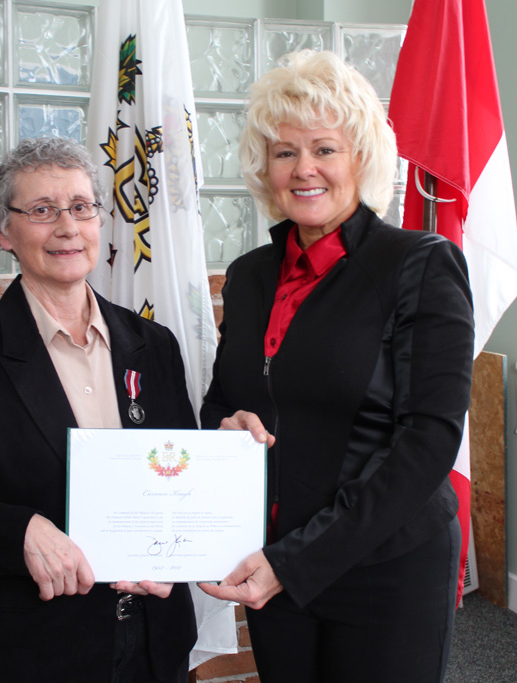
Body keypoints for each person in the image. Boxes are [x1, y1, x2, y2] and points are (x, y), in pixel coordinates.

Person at [199, 50, 474, 683]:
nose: (304, 170)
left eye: (325, 148)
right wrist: (227, 424)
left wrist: (298, 560)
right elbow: (222, 401)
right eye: (285, 152)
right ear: (264, 168)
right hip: (272, 559)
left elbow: (429, 441)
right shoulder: (247, 277)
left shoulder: (420, 264)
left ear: (360, 159)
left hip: (386, 566)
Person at [0, 137, 197, 683]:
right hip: (30, 654)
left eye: (81, 207)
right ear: (3, 232)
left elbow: (181, 479)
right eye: (41, 211)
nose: (67, 227)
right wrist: (20, 531)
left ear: (100, 222)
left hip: (156, 644)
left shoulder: (154, 345)